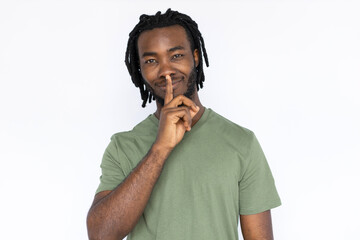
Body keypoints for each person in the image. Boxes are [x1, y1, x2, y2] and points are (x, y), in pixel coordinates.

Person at [87, 9, 281, 240]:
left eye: (176, 55)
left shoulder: (242, 143)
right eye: (151, 60)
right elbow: (101, 235)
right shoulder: (122, 147)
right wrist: (160, 149)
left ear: (195, 57)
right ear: (140, 69)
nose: (166, 70)